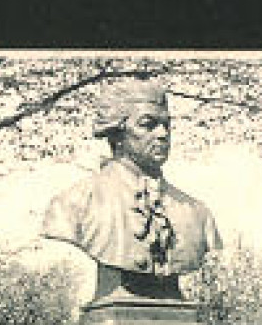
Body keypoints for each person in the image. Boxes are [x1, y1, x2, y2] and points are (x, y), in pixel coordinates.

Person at [43, 76, 222, 301]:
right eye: (148, 125)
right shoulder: (75, 202)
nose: (162, 134)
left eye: (166, 125)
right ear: (117, 133)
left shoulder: (198, 213)